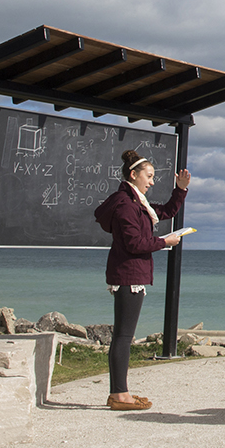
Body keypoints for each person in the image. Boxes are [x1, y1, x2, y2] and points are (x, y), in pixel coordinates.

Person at [93, 149, 191, 411]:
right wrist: (165, 242)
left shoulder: (137, 203)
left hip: (131, 273)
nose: (151, 181)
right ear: (133, 175)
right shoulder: (126, 205)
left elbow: (167, 210)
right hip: (128, 274)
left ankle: (120, 392)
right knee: (124, 336)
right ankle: (119, 395)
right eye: (148, 176)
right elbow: (136, 243)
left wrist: (180, 190)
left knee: (124, 335)